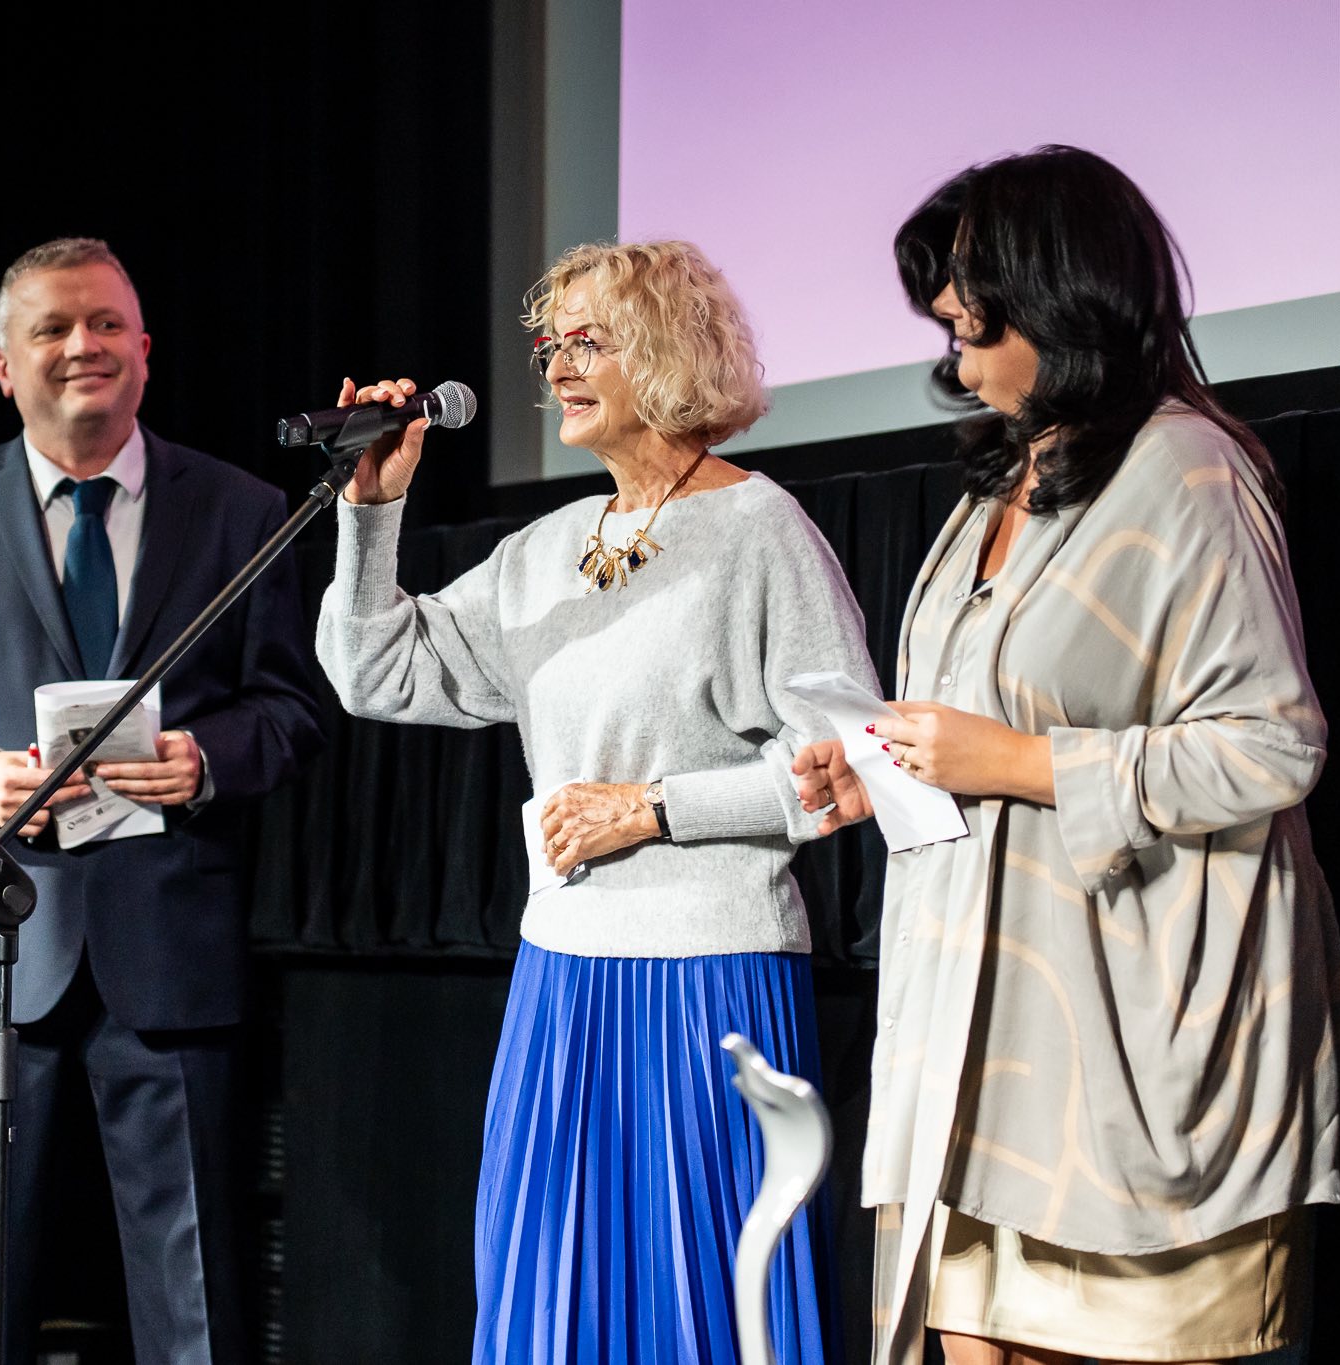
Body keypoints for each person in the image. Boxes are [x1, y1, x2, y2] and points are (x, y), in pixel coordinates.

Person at [792, 147, 1340, 1365]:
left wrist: (1018, 762)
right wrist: (882, 767)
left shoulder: (1187, 469)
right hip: (973, 1051)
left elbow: (1270, 745)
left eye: (966, 319)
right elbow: (971, 722)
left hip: (1121, 1045)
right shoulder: (995, 483)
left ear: (1053, 298)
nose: (950, 353)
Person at [315, 240, 870, 1365]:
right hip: (562, 976)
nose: (558, 367)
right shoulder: (549, 548)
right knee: (555, 1284)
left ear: (669, 355)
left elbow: (843, 768)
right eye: (549, 344)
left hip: (705, 976)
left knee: (700, 1284)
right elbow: (376, 675)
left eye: (589, 341)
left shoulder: (760, 533)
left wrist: (654, 809)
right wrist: (372, 517)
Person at [0, 237, 323, 1365]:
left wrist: (209, 758)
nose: (81, 347)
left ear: (144, 352)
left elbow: (292, 711)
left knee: (196, 1292)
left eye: (104, 324)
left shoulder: (243, 508)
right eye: (51, 329)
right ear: (3, 366)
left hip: (171, 949)